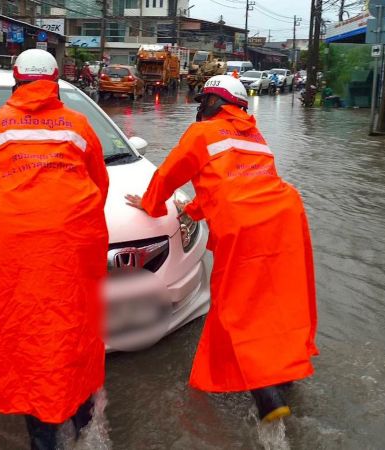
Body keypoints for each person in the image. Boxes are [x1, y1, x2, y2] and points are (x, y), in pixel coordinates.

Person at [126, 75, 318, 422]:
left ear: (211, 103)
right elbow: (233, 185)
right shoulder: (255, 136)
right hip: (287, 221)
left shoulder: (202, 133)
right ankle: (284, 373)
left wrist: (152, 207)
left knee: (235, 305)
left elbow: (169, 175)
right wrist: (193, 209)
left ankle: (267, 394)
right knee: (279, 301)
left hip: (244, 227)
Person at [0, 49, 109, 450]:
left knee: (22, 334)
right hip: (71, 243)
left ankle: (42, 432)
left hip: (12, 248)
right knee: (74, 327)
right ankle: (77, 414)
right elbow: (99, 185)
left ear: (16, 81)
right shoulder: (78, 125)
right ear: (55, 83)